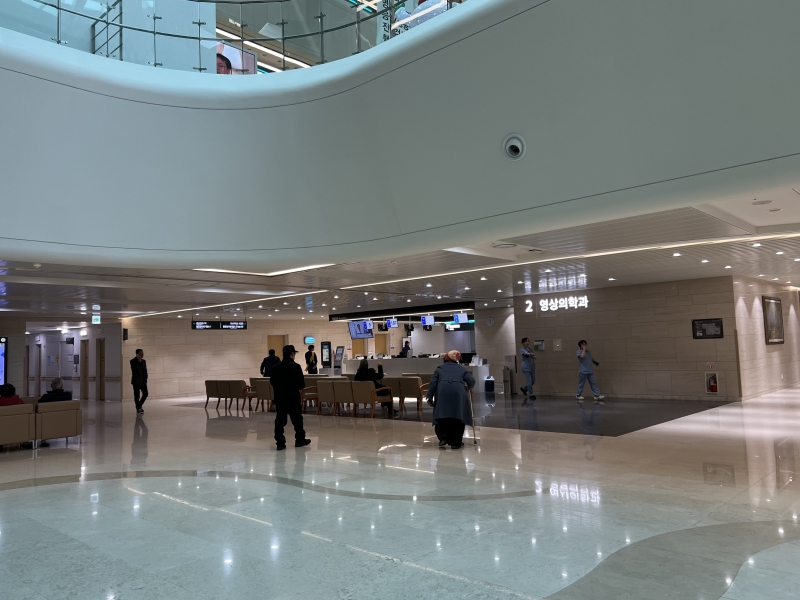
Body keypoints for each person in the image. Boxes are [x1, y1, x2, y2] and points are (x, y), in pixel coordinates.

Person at [427, 350, 476, 449]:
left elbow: (433, 384)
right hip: (459, 393)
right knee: (458, 416)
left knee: (441, 414)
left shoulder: (439, 369)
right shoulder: (461, 369)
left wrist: (429, 397)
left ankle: (443, 436)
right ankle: (456, 442)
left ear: (445, 359)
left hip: (442, 392)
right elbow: (472, 381)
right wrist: (468, 387)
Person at [270, 345, 311, 451]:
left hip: (280, 398)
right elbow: (301, 385)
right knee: (297, 420)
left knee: (280, 420)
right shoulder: (296, 367)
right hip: (293, 397)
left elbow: (272, 382)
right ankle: (299, 440)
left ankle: (280, 443)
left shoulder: (275, 367)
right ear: (292, 354)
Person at [38, 378, 73, 447]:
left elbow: (38, 405)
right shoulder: (68, 395)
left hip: (48, 421)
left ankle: (43, 438)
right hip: (65, 420)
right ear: (62, 386)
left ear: (51, 386)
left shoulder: (46, 397)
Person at [130, 349, 148, 414]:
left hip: (143, 381)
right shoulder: (132, 361)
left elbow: (145, 370)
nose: (142, 354)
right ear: (137, 354)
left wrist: (146, 377)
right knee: (137, 395)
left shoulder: (144, 361)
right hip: (136, 381)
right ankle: (138, 408)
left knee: (145, 394)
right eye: (141, 353)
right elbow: (134, 370)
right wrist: (138, 361)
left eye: (143, 353)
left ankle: (139, 405)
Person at [519, 337, 536, 401]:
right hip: (526, 367)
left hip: (532, 367)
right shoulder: (522, 349)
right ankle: (531, 394)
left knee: (533, 381)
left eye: (528, 341)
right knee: (529, 382)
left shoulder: (531, 349)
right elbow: (525, 353)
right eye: (526, 341)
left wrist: (534, 356)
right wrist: (530, 354)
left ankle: (524, 389)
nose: (527, 342)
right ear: (523, 343)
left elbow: (533, 356)